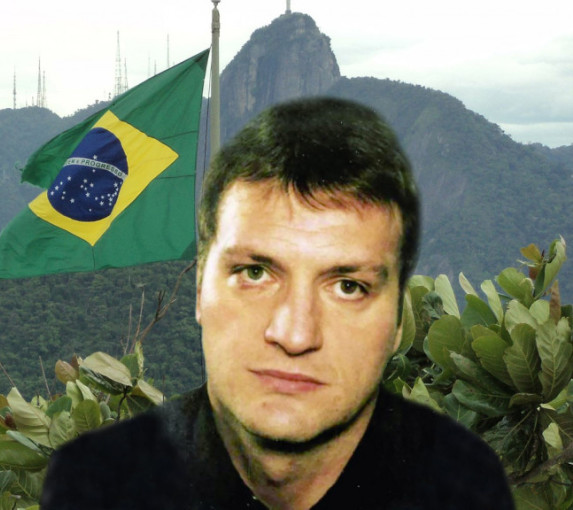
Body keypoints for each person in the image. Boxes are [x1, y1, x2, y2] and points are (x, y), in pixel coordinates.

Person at [39, 98, 514, 509]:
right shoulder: (97, 486)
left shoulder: (461, 487)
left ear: (397, 324)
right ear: (200, 289)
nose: (295, 334)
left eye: (348, 286)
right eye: (255, 273)